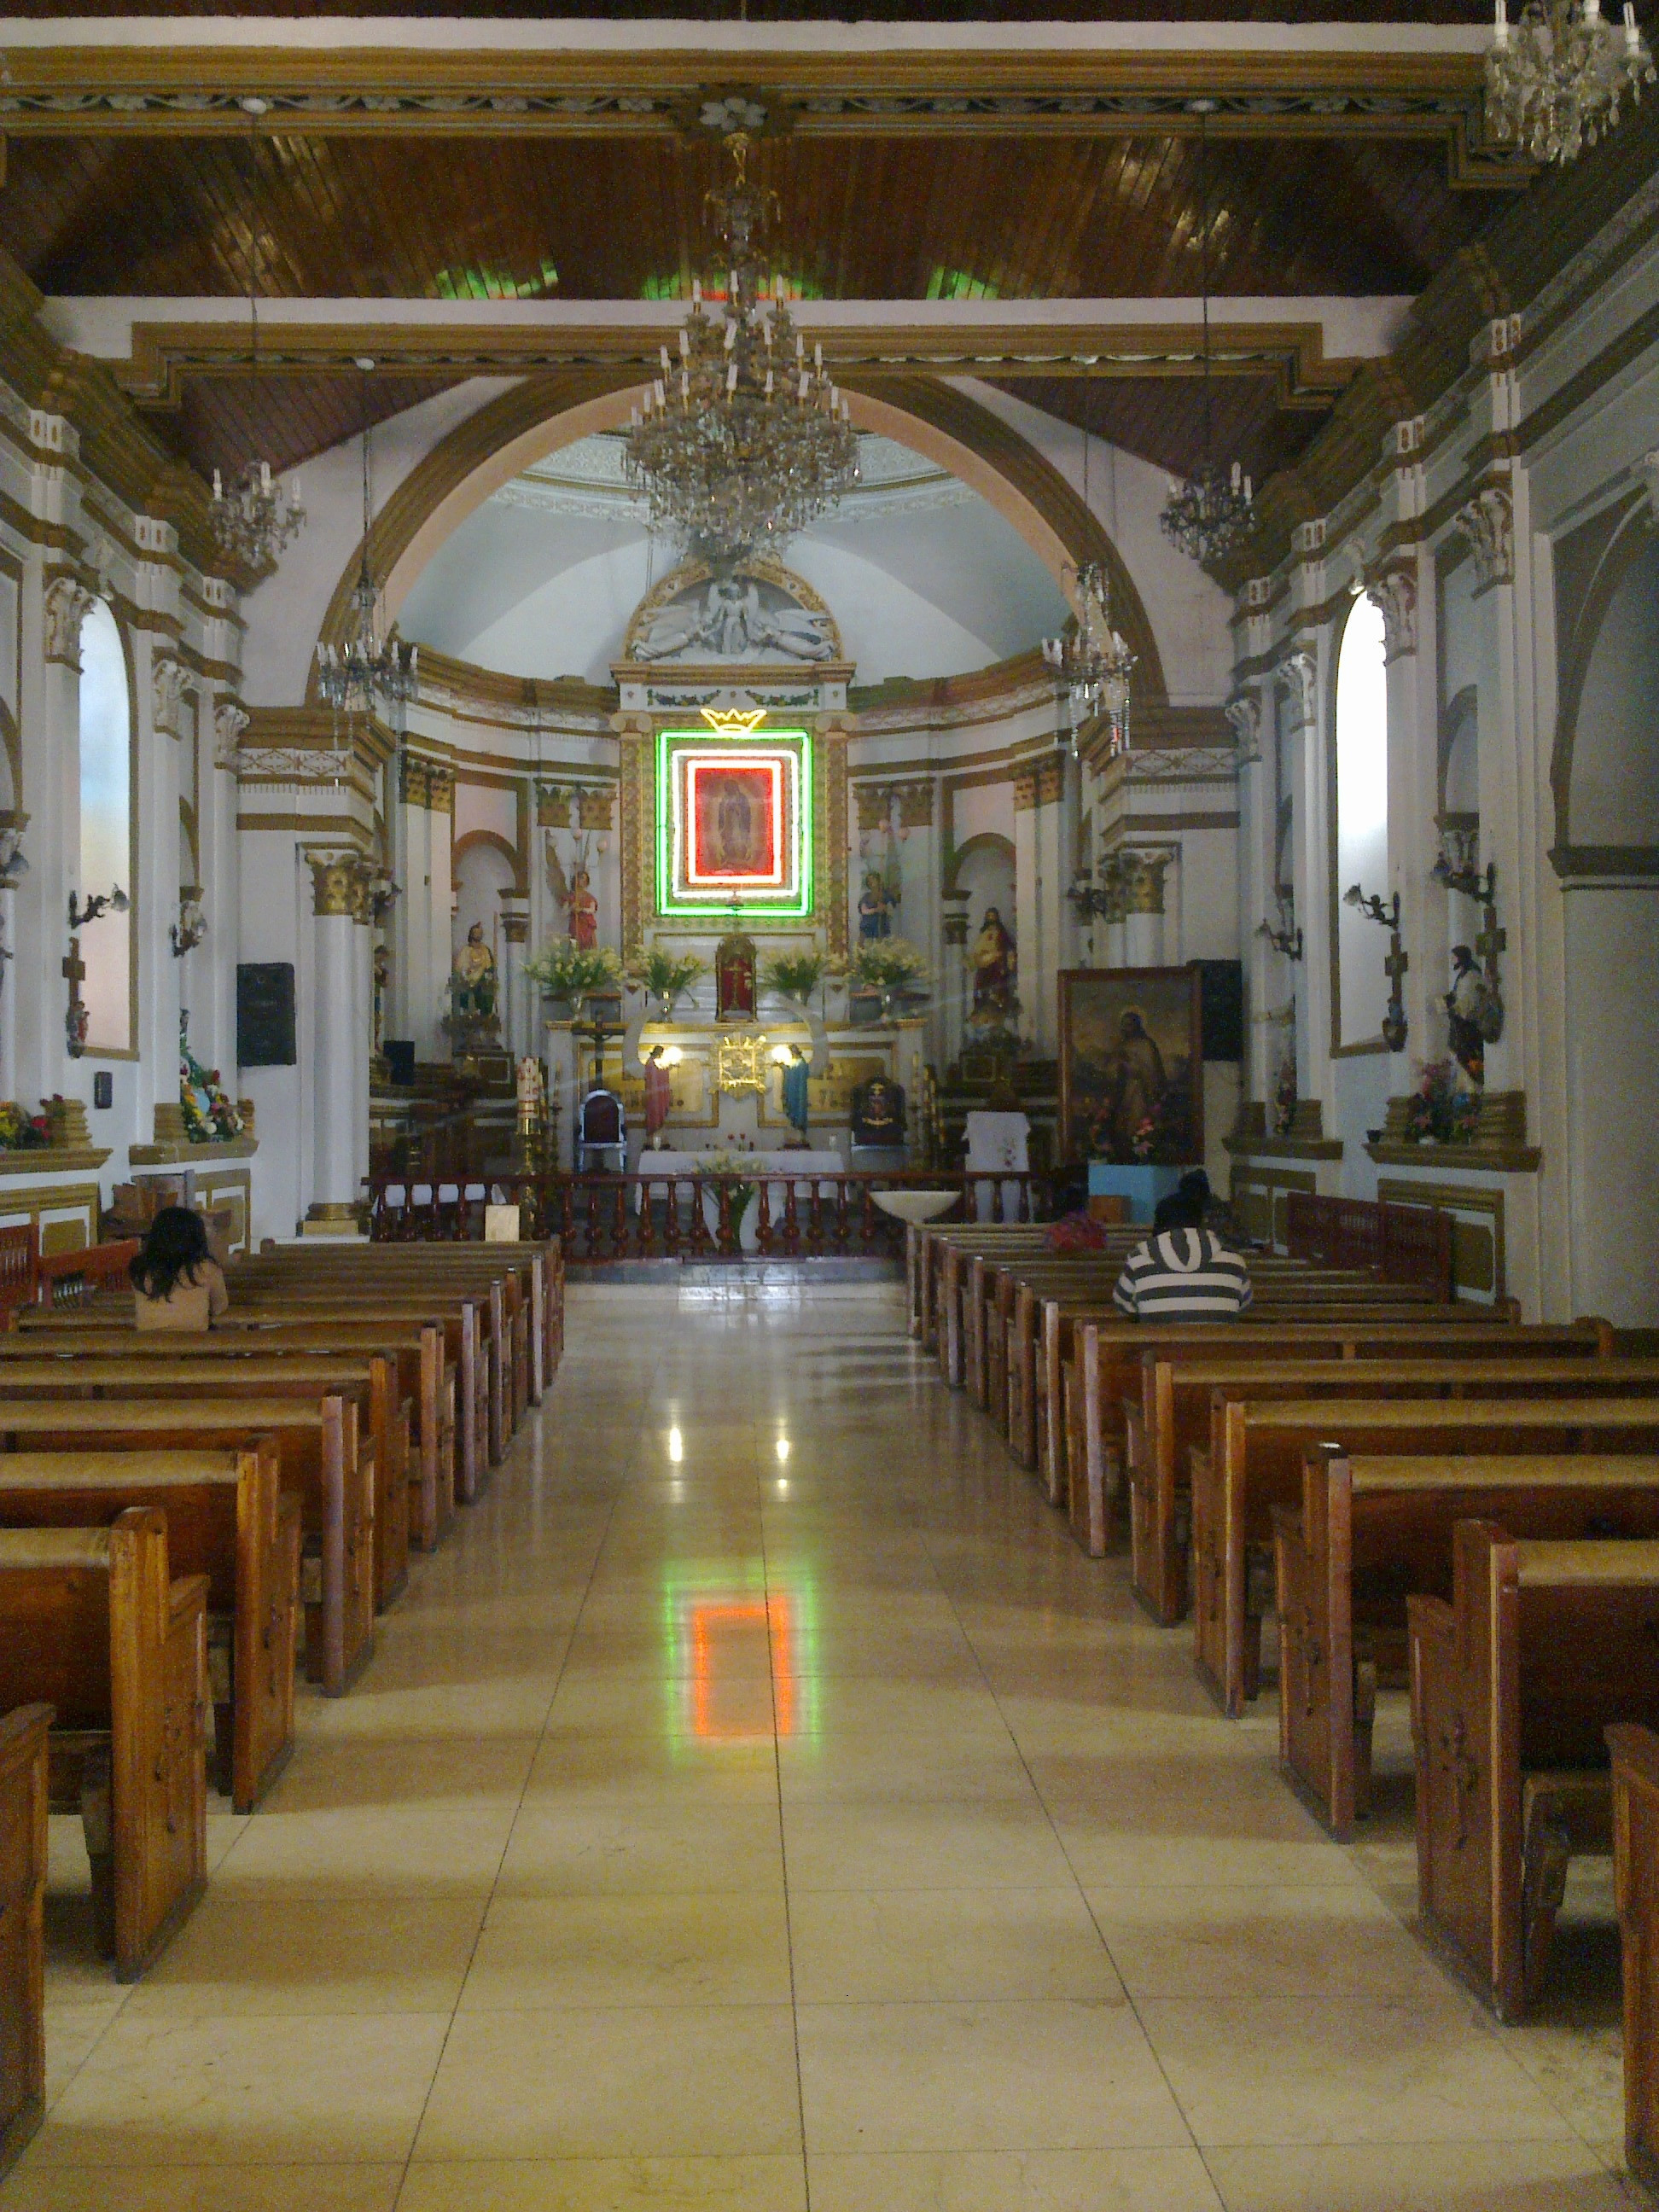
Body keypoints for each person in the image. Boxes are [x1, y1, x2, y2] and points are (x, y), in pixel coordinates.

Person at [1113, 1185, 1252, 1319]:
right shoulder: (1233, 1261)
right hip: (1221, 1343)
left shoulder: (1138, 1260)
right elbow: (1244, 1304)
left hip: (1158, 1342)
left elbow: (1123, 1305)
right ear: (1200, 1221)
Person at [130, 1203, 229, 1333]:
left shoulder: (140, 1267)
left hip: (148, 1344)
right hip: (194, 1343)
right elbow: (220, 1307)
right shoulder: (208, 1268)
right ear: (197, 1237)